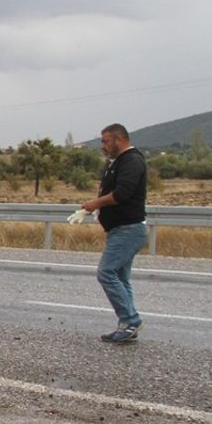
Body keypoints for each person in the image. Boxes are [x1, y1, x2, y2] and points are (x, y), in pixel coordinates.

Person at [81, 123, 149, 343]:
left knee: (106, 273)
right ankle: (127, 324)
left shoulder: (132, 160)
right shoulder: (118, 162)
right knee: (120, 277)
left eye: (105, 141)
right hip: (121, 229)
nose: (103, 145)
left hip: (128, 229)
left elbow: (122, 193)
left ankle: (131, 320)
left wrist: (95, 203)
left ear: (119, 139)